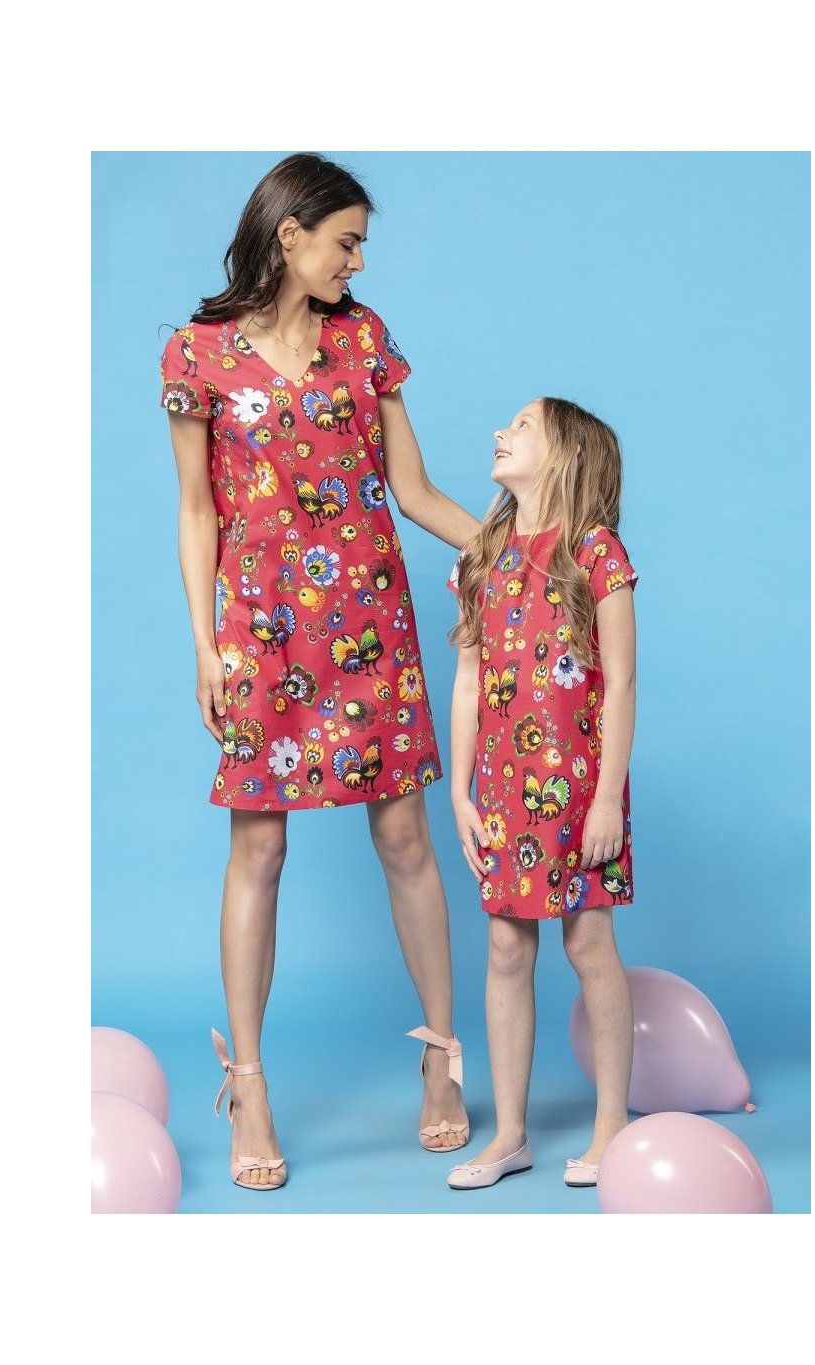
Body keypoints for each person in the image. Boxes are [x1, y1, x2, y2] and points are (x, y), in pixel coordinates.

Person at [160, 153, 480, 1189]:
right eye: (346, 242)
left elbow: (412, 490)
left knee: (405, 838)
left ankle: (441, 1057)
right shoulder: (197, 355)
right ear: (288, 234)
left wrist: (518, 550)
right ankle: (249, 1085)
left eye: (360, 246)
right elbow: (198, 510)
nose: (356, 262)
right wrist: (205, 645)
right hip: (259, 636)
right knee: (258, 847)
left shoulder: (363, 339)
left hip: (370, 627)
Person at [444, 397, 638, 1190]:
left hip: (582, 790)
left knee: (587, 942)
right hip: (503, 792)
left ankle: (611, 1123)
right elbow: (467, 680)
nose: (502, 432)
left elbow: (620, 681)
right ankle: (511, 1133)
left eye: (522, 425)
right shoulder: (483, 556)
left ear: (565, 455)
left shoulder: (596, 551)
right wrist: (460, 793)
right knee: (504, 947)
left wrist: (607, 799)